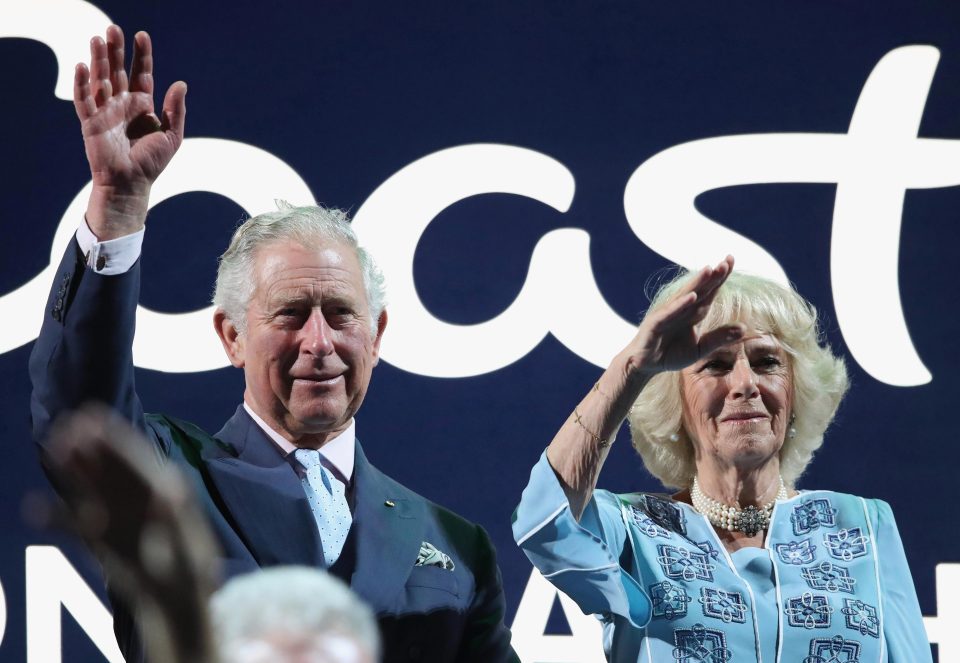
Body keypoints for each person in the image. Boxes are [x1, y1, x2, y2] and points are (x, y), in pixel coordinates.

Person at [30, 25, 517, 663]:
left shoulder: (454, 544)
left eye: (341, 314)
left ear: (378, 335)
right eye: (290, 314)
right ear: (231, 335)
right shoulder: (167, 479)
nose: (318, 342)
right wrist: (119, 206)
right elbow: (79, 406)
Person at [512, 258, 931, 662]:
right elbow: (542, 521)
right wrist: (632, 369)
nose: (745, 383)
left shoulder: (863, 525)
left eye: (767, 362)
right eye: (715, 364)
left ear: (796, 392)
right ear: (674, 403)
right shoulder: (632, 531)